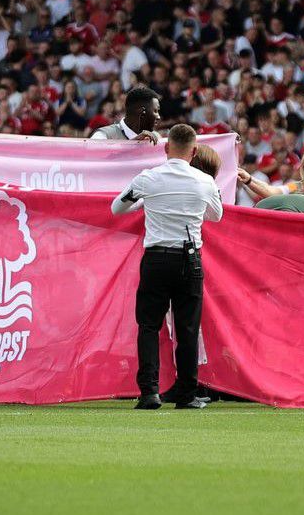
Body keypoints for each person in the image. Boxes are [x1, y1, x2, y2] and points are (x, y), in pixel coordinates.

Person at [111, 124, 222, 410]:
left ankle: (149, 392)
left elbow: (117, 208)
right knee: (187, 328)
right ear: (194, 151)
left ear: (165, 148)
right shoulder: (204, 181)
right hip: (190, 258)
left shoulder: (149, 178)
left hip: (156, 258)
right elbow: (217, 215)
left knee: (148, 326)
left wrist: (145, 203)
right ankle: (186, 395)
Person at [90, 86, 162, 143]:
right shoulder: (103, 136)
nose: (158, 117)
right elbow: (90, 158)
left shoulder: (156, 137)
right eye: (155, 111)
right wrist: (133, 143)